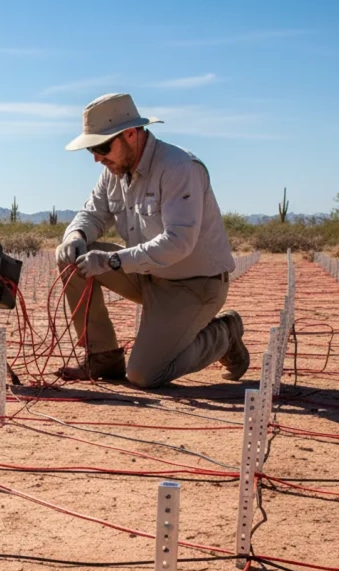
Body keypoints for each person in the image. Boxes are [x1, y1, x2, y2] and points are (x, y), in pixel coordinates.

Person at [55, 92, 249, 388]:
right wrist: (76, 235)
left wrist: (112, 260)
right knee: (69, 256)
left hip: (194, 285)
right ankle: (103, 357)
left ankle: (224, 335)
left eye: (102, 147)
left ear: (130, 134)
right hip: (147, 276)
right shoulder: (114, 172)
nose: (96, 158)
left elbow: (178, 241)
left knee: (145, 374)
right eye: (91, 150)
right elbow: (92, 214)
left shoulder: (179, 168)